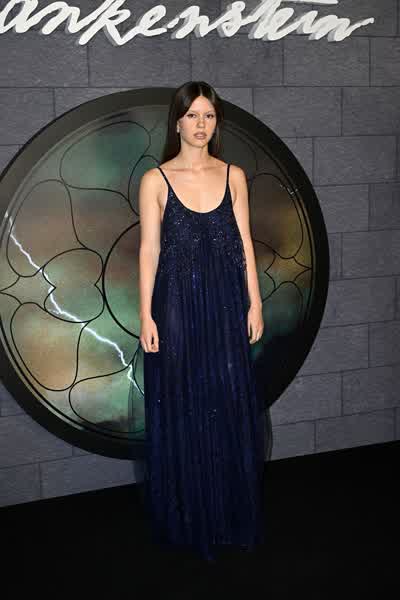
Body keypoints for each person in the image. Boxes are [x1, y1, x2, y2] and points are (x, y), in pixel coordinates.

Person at [138, 81, 265, 563]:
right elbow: (149, 251)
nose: (201, 124)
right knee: (183, 405)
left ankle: (227, 512)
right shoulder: (155, 180)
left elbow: (245, 242)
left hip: (226, 305)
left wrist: (254, 303)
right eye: (192, 115)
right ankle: (189, 517)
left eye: (209, 115)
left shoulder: (234, 176)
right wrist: (145, 314)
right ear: (177, 122)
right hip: (175, 309)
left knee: (226, 402)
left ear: (217, 122)